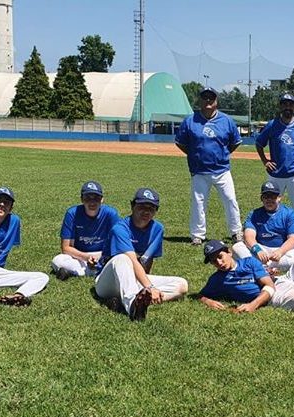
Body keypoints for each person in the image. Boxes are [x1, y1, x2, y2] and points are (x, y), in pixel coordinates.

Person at [94, 188, 188, 321]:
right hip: (107, 283)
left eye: (151, 208)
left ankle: (135, 300)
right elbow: (133, 261)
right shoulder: (119, 229)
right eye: (142, 207)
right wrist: (149, 287)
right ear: (132, 206)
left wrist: (147, 289)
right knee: (122, 258)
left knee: (181, 285)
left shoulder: (157, 229)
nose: (146, 211)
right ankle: (133, 307)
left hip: (131, 280)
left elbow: (148, 260)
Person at [175, 86, 243, 246]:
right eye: (204, 97)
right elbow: (181, 143)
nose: (208, 100)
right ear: (200, 100)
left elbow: (235, 142)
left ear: (216, 101)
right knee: (198, 203)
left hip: (222, 170)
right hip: (199, 171)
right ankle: (198, 235)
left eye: (211, 98)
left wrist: (222, 154)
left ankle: (236, 232)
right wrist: (195, 154)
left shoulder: (226, 120)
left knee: (230, 200)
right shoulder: (190, 121)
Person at [255, 93, 294, 243]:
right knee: (272, 204)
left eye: (291, 104)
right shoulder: (272, 125)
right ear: (280, 106)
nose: (288, 107)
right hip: (275, 174)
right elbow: (259, 143)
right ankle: (273, 231)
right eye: (285, 104)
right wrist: (265, 161)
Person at [51, 181, 121, 280]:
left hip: (102, 254)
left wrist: (101, 257)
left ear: (102, 199)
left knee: (119, 258)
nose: (92, 202)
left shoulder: (111, 214)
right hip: (79, 255)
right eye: (87, 198)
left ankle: (77, 272)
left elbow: (118, 242)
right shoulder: (72, 213)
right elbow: (65, 248)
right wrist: (87, 258)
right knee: (58, 260)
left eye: (96, 198)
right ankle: (98, 270)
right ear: (82, 199)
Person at [232, 181, 294, 273]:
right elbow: (248, 236)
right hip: (261, 250)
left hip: (282, 250)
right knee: (237, 247)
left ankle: (258, 267)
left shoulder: (290, 214)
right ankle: (266, 268)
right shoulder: (254, 214)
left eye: (273, 196)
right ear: (261, 198)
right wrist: (257, 250)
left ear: (279, 197)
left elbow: (293, 238)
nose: (269, 200)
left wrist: (280, 252)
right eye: (266, 197)